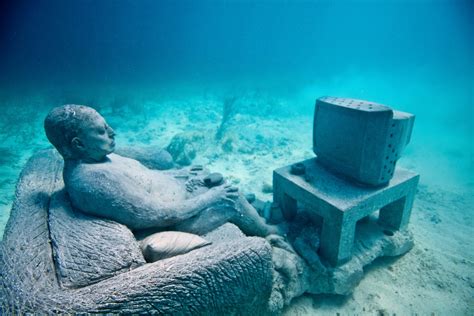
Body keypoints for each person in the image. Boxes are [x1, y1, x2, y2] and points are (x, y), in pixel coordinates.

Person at [44, 104, 280, 237]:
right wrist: (212, 197)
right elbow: (162, 216)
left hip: (178, 195)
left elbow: (145, 178)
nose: (113, 132)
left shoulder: (95, 158)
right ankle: (269, 231)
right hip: (177, 222)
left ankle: (256, 211)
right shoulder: (93, 181)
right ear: (78, 144)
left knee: (208, 175)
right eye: (102, 131)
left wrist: (181, 174)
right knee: (230, 199)